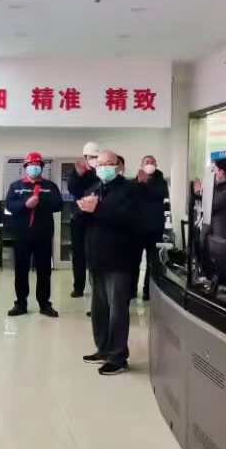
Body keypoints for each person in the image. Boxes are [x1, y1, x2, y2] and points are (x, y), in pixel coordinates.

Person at [76, 150, 145, 375]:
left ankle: (118, 357)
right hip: (96, 257)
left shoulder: (130, 190)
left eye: (108, 163)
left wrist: (97, 210)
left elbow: (129, 219)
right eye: (100, 164)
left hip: (119, 259)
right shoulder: (93, 189)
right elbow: (80, 221)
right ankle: (103, 349)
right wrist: (83, 211)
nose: (103, 167)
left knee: (117, 311)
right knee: (99, 309)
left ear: (119, 167)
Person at [4, 152, 62, 317]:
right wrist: (25, 204)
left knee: (44, 271)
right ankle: (20, 304)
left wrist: (40, 201)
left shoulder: (50, 186)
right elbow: (9, 205)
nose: (34, 168)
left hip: (43, 235)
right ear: (25, 167)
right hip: (21, 235)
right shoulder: (16, 186)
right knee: (21, 270)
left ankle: (44, 304)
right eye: (30, 165)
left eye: (37, 165)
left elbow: (59, 205)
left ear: (41, 167)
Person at [132, 155, 170, 300]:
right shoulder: (135, 181)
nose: (150, 164)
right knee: (134, 261)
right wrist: (139, 183)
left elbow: (158, 194)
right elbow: (132, 198)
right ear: (142, 165)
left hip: (155, 228)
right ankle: (131, 290)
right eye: (147, 162)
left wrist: (144, 184)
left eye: (152, 162)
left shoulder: (161, 181)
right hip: (137, 229)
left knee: (153, 263)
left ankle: (148, 291)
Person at [67, 142, 101, 298]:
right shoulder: (76, 172)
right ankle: (78, 287)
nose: (93, 159)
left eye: (96, 156)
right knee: (78, 253)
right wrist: (79, 174)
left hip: (98, 218)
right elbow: (73, 189)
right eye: (91, 157)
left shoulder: (101, 171)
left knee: (97, 253)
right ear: (85, 157)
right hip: (80, 218)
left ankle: (97, 288)